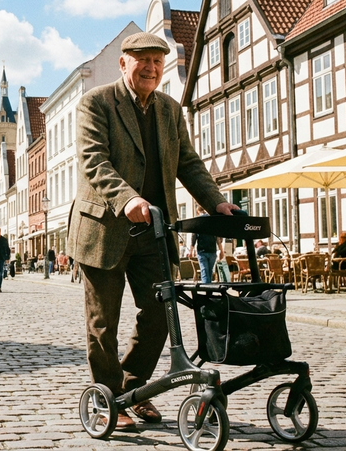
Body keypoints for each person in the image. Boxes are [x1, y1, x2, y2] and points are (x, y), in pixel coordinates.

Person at [67, 32, 237, 429]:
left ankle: (133, 388)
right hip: (103, 229)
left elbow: (189, 163)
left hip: (153, 233)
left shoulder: (169, 109)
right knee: (102, 323)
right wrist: (126, 199)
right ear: (123, 63)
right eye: (142, 60)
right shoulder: (96, 103)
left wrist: (216, 202)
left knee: (161, 314)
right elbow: (94, 161)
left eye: (158, 62)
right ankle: (108, 400)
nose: (151, 68)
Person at [190, 205, 224, 284]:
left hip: (201, 251)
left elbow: (193, 237)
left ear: (198, 212)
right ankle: (209, 290)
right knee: (209, 271)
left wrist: (191, 251)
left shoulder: (197, 222)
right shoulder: (212, 222)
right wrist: (221, 251)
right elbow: (218, 238)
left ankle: (207, 290)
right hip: (212, 250)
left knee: (204, 271)